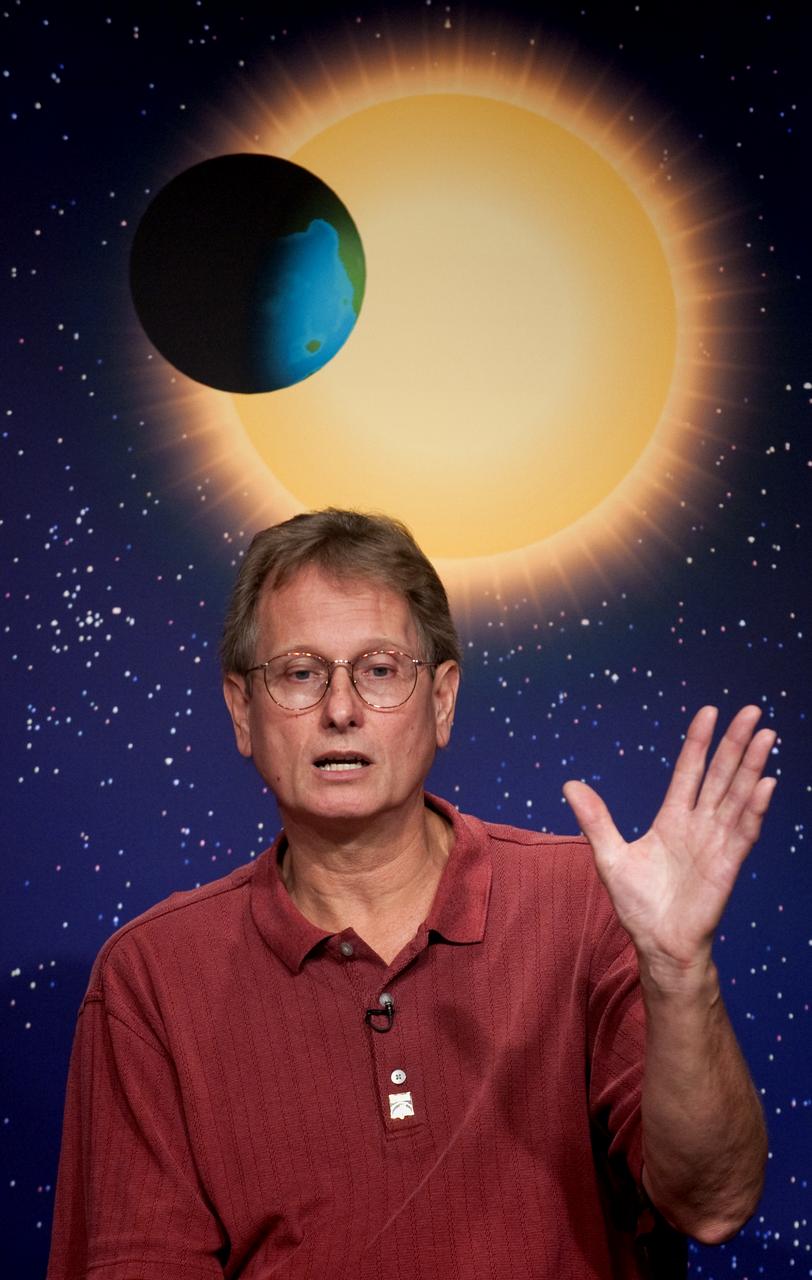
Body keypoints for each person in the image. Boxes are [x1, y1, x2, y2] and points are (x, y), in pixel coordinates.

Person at [47, 509, 773, 1280]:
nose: (340, 709)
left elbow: (715, 1202)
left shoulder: (589, 905)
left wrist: (676, 969)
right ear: (241, 711)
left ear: (442, 699)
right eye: (299, 672)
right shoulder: (152, 979)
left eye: (381, 670)